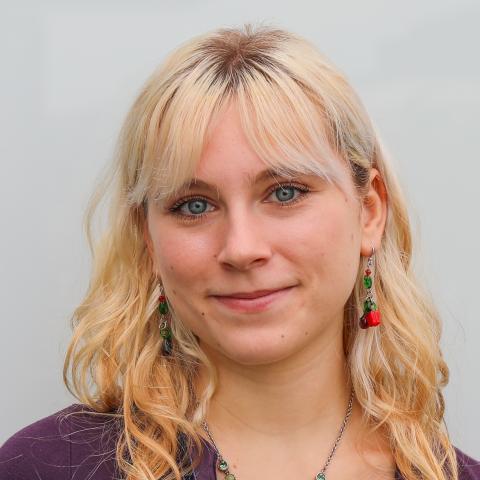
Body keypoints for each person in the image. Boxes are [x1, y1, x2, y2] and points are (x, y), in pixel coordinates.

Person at [0, 24, 478, 480]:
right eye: (194, 205)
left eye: (285, 193)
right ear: (148, 239)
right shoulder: (43, 468)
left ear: (369, 212)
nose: (241, 248)